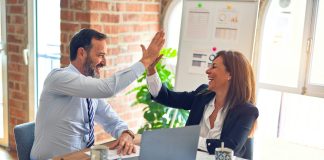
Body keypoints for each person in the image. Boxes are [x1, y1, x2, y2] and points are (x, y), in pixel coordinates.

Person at [30, 28, 165, 160]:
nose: (104, 62)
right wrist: (145, 61)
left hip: (82, 157)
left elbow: (111, 120)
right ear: (82, 53)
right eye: (100, 55)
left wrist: (126, 133)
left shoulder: (90, 88)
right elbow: (108, 88)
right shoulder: (59, 78)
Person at [146, 50, 259, 159]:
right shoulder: (203, 94)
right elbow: (166, 97)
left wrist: (190, 140)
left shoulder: (247, 111)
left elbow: (230, 147)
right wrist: (151, 70)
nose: (207, 71)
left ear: (230, 74)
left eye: (214, 67)